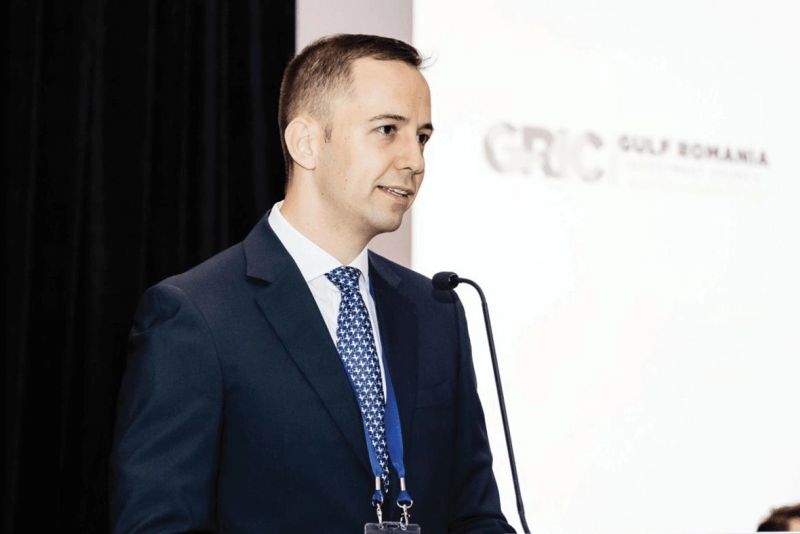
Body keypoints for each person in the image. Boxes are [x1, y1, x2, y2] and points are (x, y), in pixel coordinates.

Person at [110, 34, 513, 533]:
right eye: (388, 130)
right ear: (305, 143)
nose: (415, 161)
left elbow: (475, 513)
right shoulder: (196, 316)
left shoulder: (436, 309)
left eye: (423, 137)